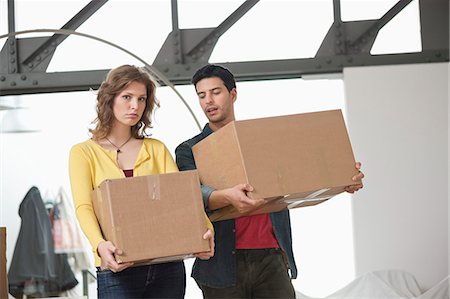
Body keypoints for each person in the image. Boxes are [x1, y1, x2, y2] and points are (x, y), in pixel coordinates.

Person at [175, 64, 364, 298]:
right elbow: (192, 195)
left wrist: (341, 177)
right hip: (221, 262)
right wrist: (227, 197)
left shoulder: (261, 138)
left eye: (216, 92)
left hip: (272, 256)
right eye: (201, 95)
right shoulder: (189, 150)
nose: (208, 101)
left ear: (233, 94)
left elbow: (302, 172)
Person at [69, 65, 214, 299]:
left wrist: (205, 227)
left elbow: (183, 198)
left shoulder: (156, 149)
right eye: (127, 97)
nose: (135, 106)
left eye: (141, 99)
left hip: (168, 266)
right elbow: (83, 207)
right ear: (109, 98)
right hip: (117, 267)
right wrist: (99, 244)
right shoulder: (83, 153)